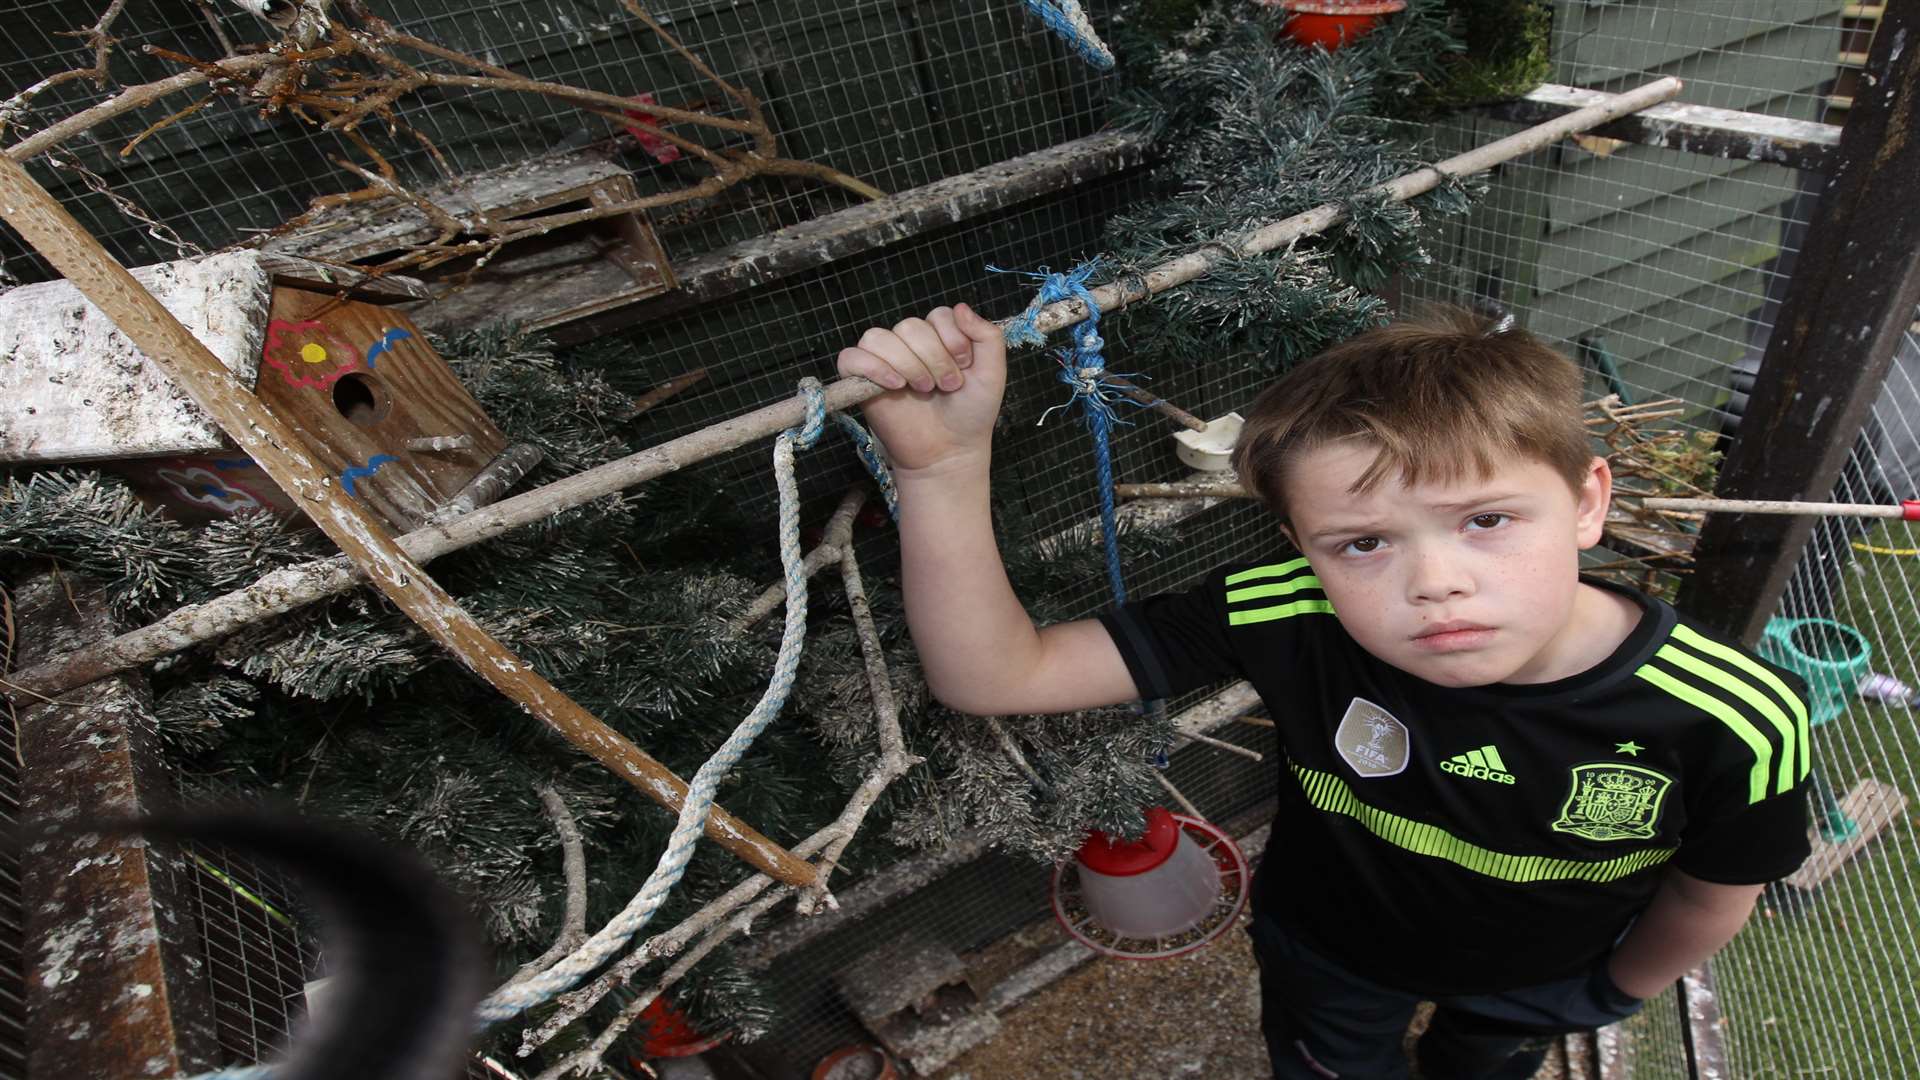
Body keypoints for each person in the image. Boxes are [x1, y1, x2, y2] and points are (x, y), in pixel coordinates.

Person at [838, 302, 1812, 1079]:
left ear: (1588, 501)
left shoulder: (1729, 716)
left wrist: (1608, 994)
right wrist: (941, 468)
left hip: (1544, 981)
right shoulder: (1286, 610)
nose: (1435, 582)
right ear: (1301, 547)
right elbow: (993, 674)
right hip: (1330, 957)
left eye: (1485, 519)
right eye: (1365, 542)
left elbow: (1713, 886)